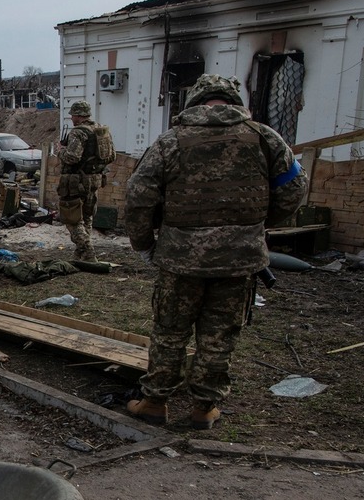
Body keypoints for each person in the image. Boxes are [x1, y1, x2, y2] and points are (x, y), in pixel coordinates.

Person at [124, 74, 307, 429]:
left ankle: (154, 403)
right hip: (239, 260)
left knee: (170, 332)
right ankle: (203, 409)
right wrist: (258, 225)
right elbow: (294, 187)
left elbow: (138, 197)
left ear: (195, 102)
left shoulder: (170, 141)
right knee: (219, 335)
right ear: (233, 101)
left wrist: (144, 244)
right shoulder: (265, 138)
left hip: (180, 259)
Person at [56, 100, 114, 262]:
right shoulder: (101, 131)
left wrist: (60, 151)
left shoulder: (78, 132)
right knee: (87, 217)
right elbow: (112, 156)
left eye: (73, 115)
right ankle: (80, 252)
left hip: (76, 181)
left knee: (72, 218)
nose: (71, 118)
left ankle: (88, 251)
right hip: (95, 179)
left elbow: (72, 157)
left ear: (78, 115)